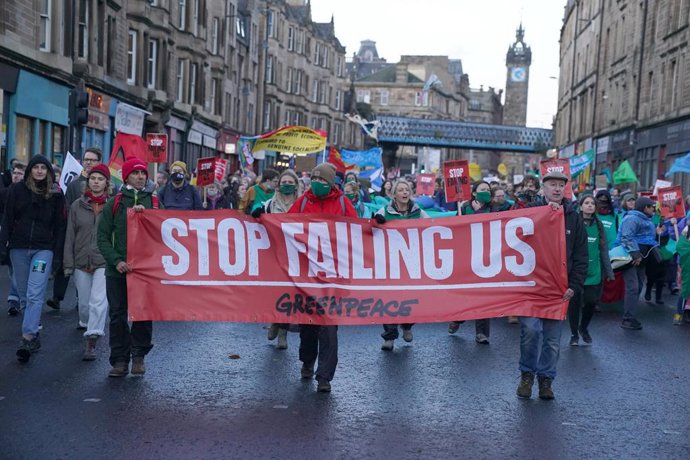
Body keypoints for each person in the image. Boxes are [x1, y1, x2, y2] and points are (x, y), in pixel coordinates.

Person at [516, 171, 588, 400]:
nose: (557, 189)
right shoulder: (530, 213)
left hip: (559, 289)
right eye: (552, 185)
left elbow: (580, 255)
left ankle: (546, 380)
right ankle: (527, 374)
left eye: (561, 185)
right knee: (530, 331)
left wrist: (574, 285)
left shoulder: (573, 218)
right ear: (543, 189)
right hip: (532, 286)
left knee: (552, 340)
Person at [288, 162, 357, 393]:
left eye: (323, 181)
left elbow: (357, 230)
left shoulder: (342, 203)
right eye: (314, 180)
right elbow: (284, 225)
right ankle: (308, 361)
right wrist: (261, 218)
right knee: (308, 324)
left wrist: (375, 224)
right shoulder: (304, 201)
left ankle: (324, 376)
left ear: (331, 183)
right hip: (306, 274)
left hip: (333, 275)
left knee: (328, 326)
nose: (317, 184)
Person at [97, 158, 160, 377]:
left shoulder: (154, 202)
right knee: (117, 315)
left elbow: (164, 233)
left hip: (144, 272)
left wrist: (150, 215)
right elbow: (102, 237)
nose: (141, 176)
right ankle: (120, 360)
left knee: (143, 314)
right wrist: (116, 260)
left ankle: (139, 355)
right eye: (136, 173)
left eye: (144, 173)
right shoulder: (114, 203)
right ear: (126, 177)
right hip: (117, 270)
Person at [0, 155, 66, 362]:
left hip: (43, 250)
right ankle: (34, 334)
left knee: (35, 291)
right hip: (18, 249)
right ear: (30, 170)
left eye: (43, 168)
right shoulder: (16, 191)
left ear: (48, 171)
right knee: (23, 294)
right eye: (35, 167)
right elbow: (7, 218)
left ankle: (27, 337)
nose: (39, 171)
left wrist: (57, 254)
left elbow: (60, 226)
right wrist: (3, 247)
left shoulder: (55, 194)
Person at [64, 164, 112, 360]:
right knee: (84, 304)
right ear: (88, 181)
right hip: (81, 259)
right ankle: (87, 323)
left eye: (100, 179)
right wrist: (68, 263)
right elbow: (70, 235)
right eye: (93, 178)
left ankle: (92, 339)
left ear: (106, 183)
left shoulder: (112, 205)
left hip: (103, 260)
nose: (96, 182)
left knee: (98, 301)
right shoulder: (77, 205)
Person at [46, 148, 104, 312]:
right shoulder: (73, 184)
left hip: (93, 232)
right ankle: (57, 297)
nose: (88, 162)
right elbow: (67, 207)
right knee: (67, 261)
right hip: (73, 229)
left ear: (99, 162)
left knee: (85, 264)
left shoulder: (106, 183)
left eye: (92, 160)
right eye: (86, 159)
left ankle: (82, 299)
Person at [373, 179, 428, 351]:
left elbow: (433, 227)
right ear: (394, 194)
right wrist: (376, 221)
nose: (405, 192)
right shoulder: (385, 210)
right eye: (401, 190)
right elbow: (371, 229)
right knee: (389, 297)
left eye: (407, 190)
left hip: (411, 263)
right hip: (390, 263)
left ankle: (407, 325)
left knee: (410, 297)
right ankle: (389, 336)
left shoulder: (418, 211)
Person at [253, 169, 300, 350]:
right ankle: (275, 321)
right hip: (274, 253)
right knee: (275, 292)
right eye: (284, 181)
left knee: (289, 294)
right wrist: (256, 213)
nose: (287, 184)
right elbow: (254, 219)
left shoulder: (302, 205)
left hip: (295, 255)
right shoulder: (269, 205)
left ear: (295, 185)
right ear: (278, 185)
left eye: (290, 182)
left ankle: (283, 333)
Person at [449, 181, 493, 342]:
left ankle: (482, 333)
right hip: (466, 256)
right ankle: (458, 318)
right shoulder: (464, 208)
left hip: (487, 256)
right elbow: (455, 228)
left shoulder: (494, 207)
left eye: (488, 190)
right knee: (467, 294)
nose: (486, 192)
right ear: (474, 193)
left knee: (484, 294)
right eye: (483, 190)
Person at [568, 195, 614, 346]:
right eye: (586, 203)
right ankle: (574, 334)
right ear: (580, 206)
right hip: (576, 271)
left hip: (594, 271)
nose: (589, 206)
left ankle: (583, 328)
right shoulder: (574, 223)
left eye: (592, 203)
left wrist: (609, 272)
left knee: (591, 302)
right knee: (574, 304)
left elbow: (603, 250)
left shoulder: (599, 225)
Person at [615, 197, 663, 330]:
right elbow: (626, 237)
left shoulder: (647, 220)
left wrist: (658, 233)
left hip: (642, 259)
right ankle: (628, 319)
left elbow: (650, 239)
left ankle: (630, 314)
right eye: (651, 206)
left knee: (639, 286)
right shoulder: (632, 218)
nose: (653, 208)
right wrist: (635, 254)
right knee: (633, 287)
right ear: (645, 207)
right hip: (631, 258)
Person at [1, 161, 25, 316]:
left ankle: (14, 299)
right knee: (12, 269)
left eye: (20, 173)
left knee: (17, 270)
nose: (16, 176)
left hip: (21, 237)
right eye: (15, 173)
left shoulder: (26, 194)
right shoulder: (4, 192)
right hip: (6, 233)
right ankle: (15, 297)